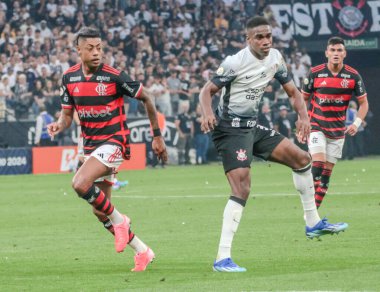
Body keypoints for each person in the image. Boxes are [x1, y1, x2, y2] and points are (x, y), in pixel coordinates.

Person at [199, 16, 348, 273]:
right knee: (242, 188)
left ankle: (312, 222)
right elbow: (206, 92)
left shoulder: (276, 58)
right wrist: (207, 113)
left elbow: (293, 92)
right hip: (230, 130)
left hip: (252, 127)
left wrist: (303, 117)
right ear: (248, 39)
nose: (266, 41)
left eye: (268, 36)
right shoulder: (235, 63)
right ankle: (222, 258)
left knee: (302, 160)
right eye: (259, 37)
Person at [47, 27, 168, 272]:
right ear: (78, 50)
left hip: (114, 142)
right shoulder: (69, 78)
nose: (96, 52)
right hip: (92, 147)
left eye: (99, 47)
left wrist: (157, 137)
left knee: (79, 183)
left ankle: (120, 220)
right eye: (90, 48)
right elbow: (68, 115)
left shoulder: (114, 76)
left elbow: (148, 98)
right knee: (100, 212)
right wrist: (59, 124)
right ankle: (142, 251)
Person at [302, 36, 369, 209]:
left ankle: (313, 215)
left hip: (338, 131)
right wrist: (302, 123)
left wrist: (356, 123)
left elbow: (364, 103)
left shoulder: (353, 76)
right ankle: (308, 208)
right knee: (317, 164)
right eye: (332, 50)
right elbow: (302, 100)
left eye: (339, 50)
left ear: (344, 53)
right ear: (327, 53)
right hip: (317, 126)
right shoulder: (315, 72)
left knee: (326, 175)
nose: (336, 53)